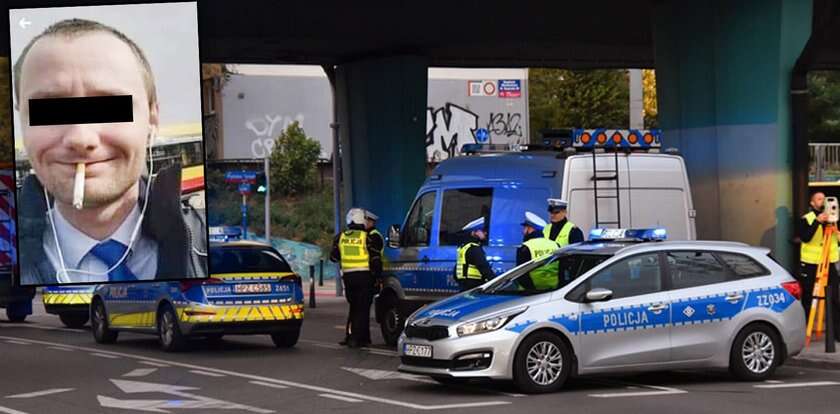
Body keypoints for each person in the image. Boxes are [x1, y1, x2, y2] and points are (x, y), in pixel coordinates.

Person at [14, 18, 206, 285]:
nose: (81, 138)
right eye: (50, 110)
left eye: (110, 107)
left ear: (152, 117)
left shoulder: (208, 244)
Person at [331, 208, 382, 348]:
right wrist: (378, 277)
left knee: (354, 307)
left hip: (348, 277)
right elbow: (375, 259)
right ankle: (358, 338)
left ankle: (356, 337)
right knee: (363, 308)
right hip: (365, 277)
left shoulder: (341, 236)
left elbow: (333, 257)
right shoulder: (367, 237)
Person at [798, 191, 840, 341]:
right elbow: (805, 237)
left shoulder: (834, 218)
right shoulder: (807, 218)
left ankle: (837, 333)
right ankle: (804, 332)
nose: (823, 201)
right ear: (812, 203)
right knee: (809, 298)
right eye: (819, 198)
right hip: (811, 263)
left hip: (829, 262)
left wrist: (835, 227)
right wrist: (817, 221)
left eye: (824, 198)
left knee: (835, 298)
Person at [517, 212, 560, 291]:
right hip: (553, 291)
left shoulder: (526, 247)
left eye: (525, 228)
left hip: (529, 293)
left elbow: (521, 275)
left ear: (530, 229)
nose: (523, 232)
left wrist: (532, 291)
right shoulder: (555, 245)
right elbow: (561, 269)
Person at [454, 217, 495, 291]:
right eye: (482, 231)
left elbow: (456, 272)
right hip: (475, 287)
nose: (485, 233)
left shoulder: (464, 247)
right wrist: (495, 282)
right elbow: (484, 268)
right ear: (474, 232)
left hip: (465, 286)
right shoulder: (474, 248)